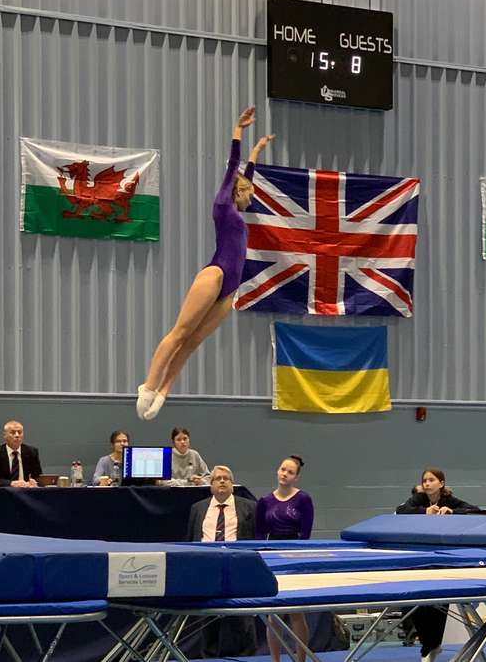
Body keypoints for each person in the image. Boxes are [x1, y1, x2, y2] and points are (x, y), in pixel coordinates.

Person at [137, 105, 275, 420]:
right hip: (215, 274)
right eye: (248, 193)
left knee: (194, 341)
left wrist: (257, 149)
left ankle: (163, 392)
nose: (251, 198)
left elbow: (246, 174)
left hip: (230, 289)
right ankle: (148, 385)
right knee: (180, 332)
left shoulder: (238, 211)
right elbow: (234, 171)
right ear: (237, 190)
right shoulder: (223, 204)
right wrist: (239, 132)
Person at [396, 468, 481, 662]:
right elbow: (401, 511)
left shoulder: (450, 500)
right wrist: (425, 511)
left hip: (442, 559)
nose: (426, 483)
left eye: (431, 480)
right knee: (415, 604)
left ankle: (431, 646)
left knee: (438, 605)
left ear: (441, 483)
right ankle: (430, 645)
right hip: (419, 556)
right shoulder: (418, 499)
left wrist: (453, 512)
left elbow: (475, 510)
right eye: (424, 480)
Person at [186, 465, 257, 657]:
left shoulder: (249, 507)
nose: (223, 481)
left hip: (237, 566)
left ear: (233, 485)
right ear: (211, 485)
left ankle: (246, 656)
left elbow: (257, 540)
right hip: (206, 567)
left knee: (242, 618)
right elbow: (189, 540)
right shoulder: (197, 509)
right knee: (208, 618)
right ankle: (209, 657)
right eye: (218, 478)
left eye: (226, 478)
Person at [256, 455, 314, 662]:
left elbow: (306, 535)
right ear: (277, 470)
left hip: (295, 554)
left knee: (296, 612)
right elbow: (258, 535)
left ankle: (300, 659)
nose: (285, 474)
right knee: (274, 613)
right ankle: (275, 660)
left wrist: (299, 557)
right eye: (282, 469)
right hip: (272, 556)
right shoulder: (264, 501)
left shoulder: (303, 500)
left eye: (290, 472)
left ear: (296, 477)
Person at [0, 420, 42, 487]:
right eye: (13, 432)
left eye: (20, 432)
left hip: (27, 492)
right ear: (5, 435)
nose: (17, 435)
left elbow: (38, 476)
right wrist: (11, 483)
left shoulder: (32, 452)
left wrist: (35, 482)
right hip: (3, 493)